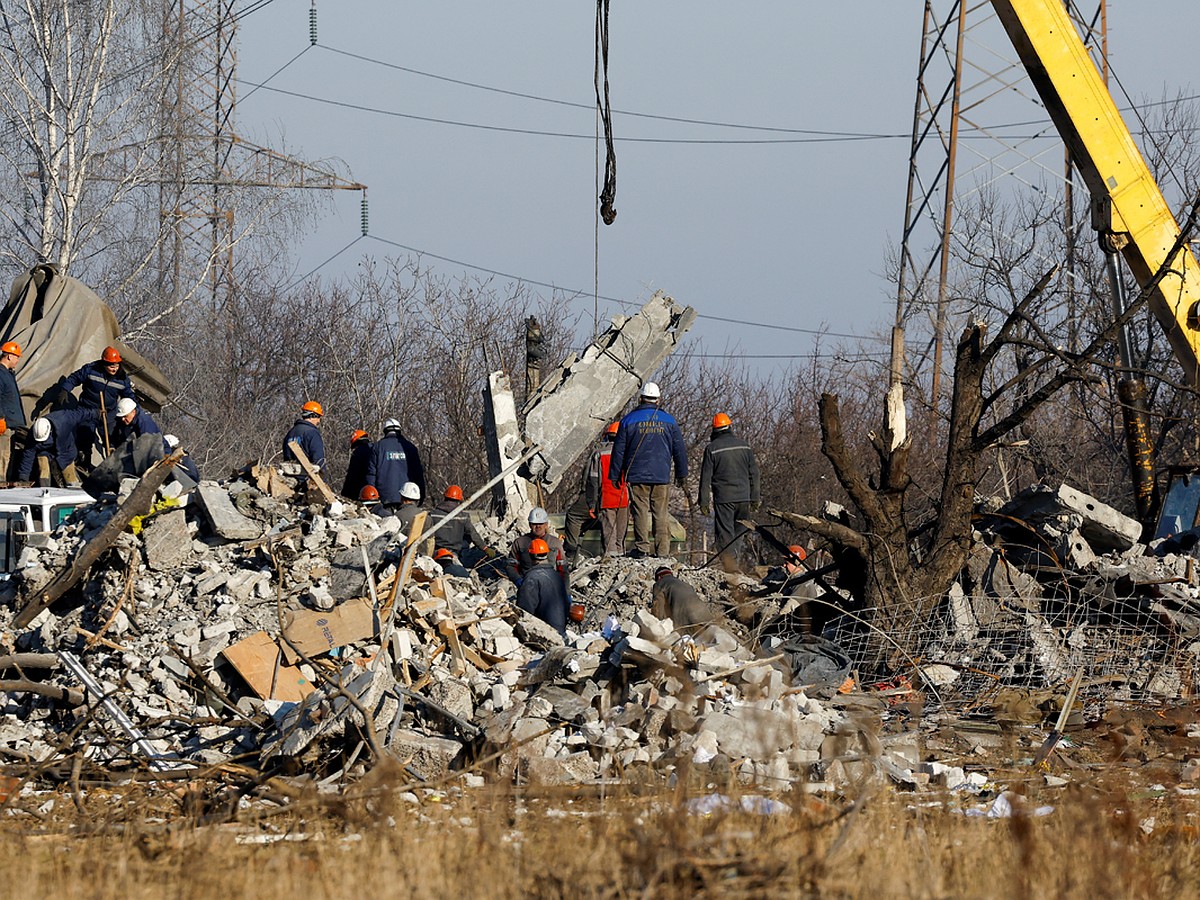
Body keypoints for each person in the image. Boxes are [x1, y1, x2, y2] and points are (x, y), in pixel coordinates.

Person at [610, 381, 688, 558]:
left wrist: (615, 475)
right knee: (661, 513)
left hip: (637, 475)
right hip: (661, 475)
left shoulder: (628, 420)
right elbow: (679, 449)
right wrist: (682, 474)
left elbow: (619, 450)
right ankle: (662, 551)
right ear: (658, 400)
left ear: (641, 399)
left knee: (640, 511)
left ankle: (643, 549)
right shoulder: (669, 421)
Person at [698, 412, 761, 572]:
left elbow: (705, 478)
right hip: (744, 498)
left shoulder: (711, 449)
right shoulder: (744, 446)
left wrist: (703, 502)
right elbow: (754, 473)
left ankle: (730, 569)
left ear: (714, 429)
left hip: (724, 499)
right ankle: (735, 564)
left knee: (725, 535)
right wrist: (755, 497)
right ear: (729, 426)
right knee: (739, 533)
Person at [52, 345, 135, 461]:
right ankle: (84, 461)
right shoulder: (91, 370)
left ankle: (113, 462)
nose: (114, 368)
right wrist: (65, 389)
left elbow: (129, 396)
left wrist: (133, 409)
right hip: (88, 409)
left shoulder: (122, 378)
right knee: (85, 436)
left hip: (109, 413)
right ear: (104, 364)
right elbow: (75, 378)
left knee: (112, 438)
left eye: (117, 365)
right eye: (111, 366)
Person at [564, 422, 629, 562]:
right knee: (620, 533)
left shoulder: (599, 454)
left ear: (608, 436)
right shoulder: (628, 454)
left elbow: (592, 481)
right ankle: (621, 558)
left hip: (606, 498)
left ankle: (571, 551)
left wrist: (591, 503)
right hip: (623, 499)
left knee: (574, 516)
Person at [18, 409, 101, 487]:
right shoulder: (33, 434)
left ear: (49, 430)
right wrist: (23, 477)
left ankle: (75, 494)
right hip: (45, 452)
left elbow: (80, 414)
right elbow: (28, 455)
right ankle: (44, 490)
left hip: (66, 452)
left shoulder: (64, 419)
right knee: (43, 471)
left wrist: (95, 413)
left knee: (70, 478)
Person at [651, 566, 731, 634]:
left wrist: (657, 626)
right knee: (715, 636)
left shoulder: (659, 584)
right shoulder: (684, 584)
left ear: (659, 577)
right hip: (703, 613)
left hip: (685, 619)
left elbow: (658, 609)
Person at [366, 418, 426, 507]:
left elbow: (371, 474)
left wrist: (372, 497)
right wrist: (421, 494)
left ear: (385, 431)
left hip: (384, 498)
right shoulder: (410, 448)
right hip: (408, 498)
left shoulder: (377, 447)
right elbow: (418, 474)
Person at [516, 538, 569, 635]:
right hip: (561, 631)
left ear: (531, 555)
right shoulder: (556, 575)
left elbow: (524, 611)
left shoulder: (532, 578)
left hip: (545, 634)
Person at [508, 506, 568, 590]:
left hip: (550, 587)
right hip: (527, 585)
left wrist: (566, 591)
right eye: (534, 524)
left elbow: (563, 569)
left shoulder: (555, 543)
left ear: (546, 524)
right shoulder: (520, 543)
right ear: (529, 524)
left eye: (541, 523)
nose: (538, 526)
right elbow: (511, 566)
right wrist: (518, 580)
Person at [430, 485, 491, 558]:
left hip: (436, 551)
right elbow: (473, 534)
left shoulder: (433, 514)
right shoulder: (463, 516)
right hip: (455, 551)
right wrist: (485, 548)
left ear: (445, 496)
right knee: (467, 537)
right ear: (459, 499)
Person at [0, 341, 25, 481]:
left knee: (8, 456)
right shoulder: (0, 374)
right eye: (16, 357)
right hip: (4, 424)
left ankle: (5, 484)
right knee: (2, 456)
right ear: (9, 356)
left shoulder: (8, 374)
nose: (18, 360)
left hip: (11, 424)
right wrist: (0, 418)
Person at [282, 400, 326, 475]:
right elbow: (319, 461)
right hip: (305, 480)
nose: (319, 421)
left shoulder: (290, 433)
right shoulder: (312, 433)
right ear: (312, 416)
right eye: (318, 417)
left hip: (289, 477)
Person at [341, 429, 372, 501]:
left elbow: (352, 474)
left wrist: (346, 493)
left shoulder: (357, 453)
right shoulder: (375, 449)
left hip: (361, 490)